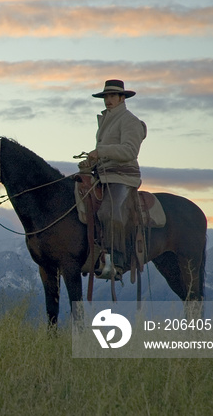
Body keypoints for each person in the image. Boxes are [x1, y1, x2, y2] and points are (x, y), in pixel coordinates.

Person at [80, 79, 147, 280]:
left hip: (123, 176)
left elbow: (130, 150)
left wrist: (100, 151)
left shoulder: (129, 121)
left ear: (121, 98)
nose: (108, 100)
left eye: (112, 96)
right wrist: (89, 164)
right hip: (104, 175)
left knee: (111, 210)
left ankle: (116, 262)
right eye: (106, 96)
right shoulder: (106, 120)